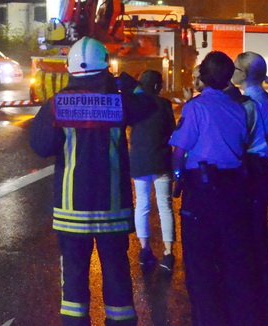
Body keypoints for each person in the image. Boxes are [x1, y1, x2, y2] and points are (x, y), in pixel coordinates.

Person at [29, 37, 140, 325]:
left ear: (70, 69)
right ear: (105, 68)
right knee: (116, 274)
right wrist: (125, 83)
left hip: (71, 211)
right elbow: (151, 107)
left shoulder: (58, 105)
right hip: (112, 210)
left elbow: (40, 146)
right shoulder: (119, 102)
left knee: (74, 281)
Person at [169, 51, 257, 325]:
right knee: (232, 259)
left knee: (200, 264)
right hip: (233, 192)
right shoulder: (238, 108)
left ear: (205, 77)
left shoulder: (195, 108)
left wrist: (177, 177)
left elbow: (179, 150)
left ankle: (207, 318)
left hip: (202, 193)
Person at [234, 51, 268, 325]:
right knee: (257, 222)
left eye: (238, 68)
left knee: (250, 226)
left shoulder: (249, 101)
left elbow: (243, 138)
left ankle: (254, 281)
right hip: (265, 167)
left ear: (245, 73)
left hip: (252, 167)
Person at [129, 69, 177, 272]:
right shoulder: (164, 104)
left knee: (142, 205)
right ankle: (168, 253)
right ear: (158, 86)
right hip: (161, 161)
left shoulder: (135, 104)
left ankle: (144, 249)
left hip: (139, 162)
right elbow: (172, 132)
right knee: (165, 206)